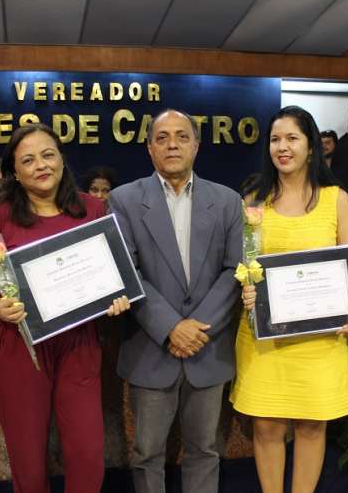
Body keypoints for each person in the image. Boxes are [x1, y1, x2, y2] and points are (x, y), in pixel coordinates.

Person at [231, 105, 348, 493]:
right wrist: (246, 285)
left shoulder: (336, 198)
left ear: (311, 146)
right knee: (266, 426)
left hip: (321, 338)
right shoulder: (253, 198)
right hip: (266, 340)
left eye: (292, 138)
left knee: (312, 425)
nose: (282, 147)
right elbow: (244, 262)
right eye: (275, 139)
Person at [0, 123, 130, 493]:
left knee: (87, 453)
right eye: (28, 160)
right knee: (27, 459)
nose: (41, 165)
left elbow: (112, 273)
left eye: (48, 154)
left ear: (61, 157)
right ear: (15, 171)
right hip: (20, 345)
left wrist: (118, 296)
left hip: (79, 344)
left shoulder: (93, 208)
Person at [108, 109, 243, 493]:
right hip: (152, 346)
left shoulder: (228, 201)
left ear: (196, 146)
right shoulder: (124, 200)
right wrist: (171, 328)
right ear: (150, 148)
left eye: (182, 137)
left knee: (205, 449)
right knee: (146, 452)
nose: (172, 144)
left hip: (207, 344)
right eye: (162, 137)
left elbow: (235, 269)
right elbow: (126, 271)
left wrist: (196, 329)